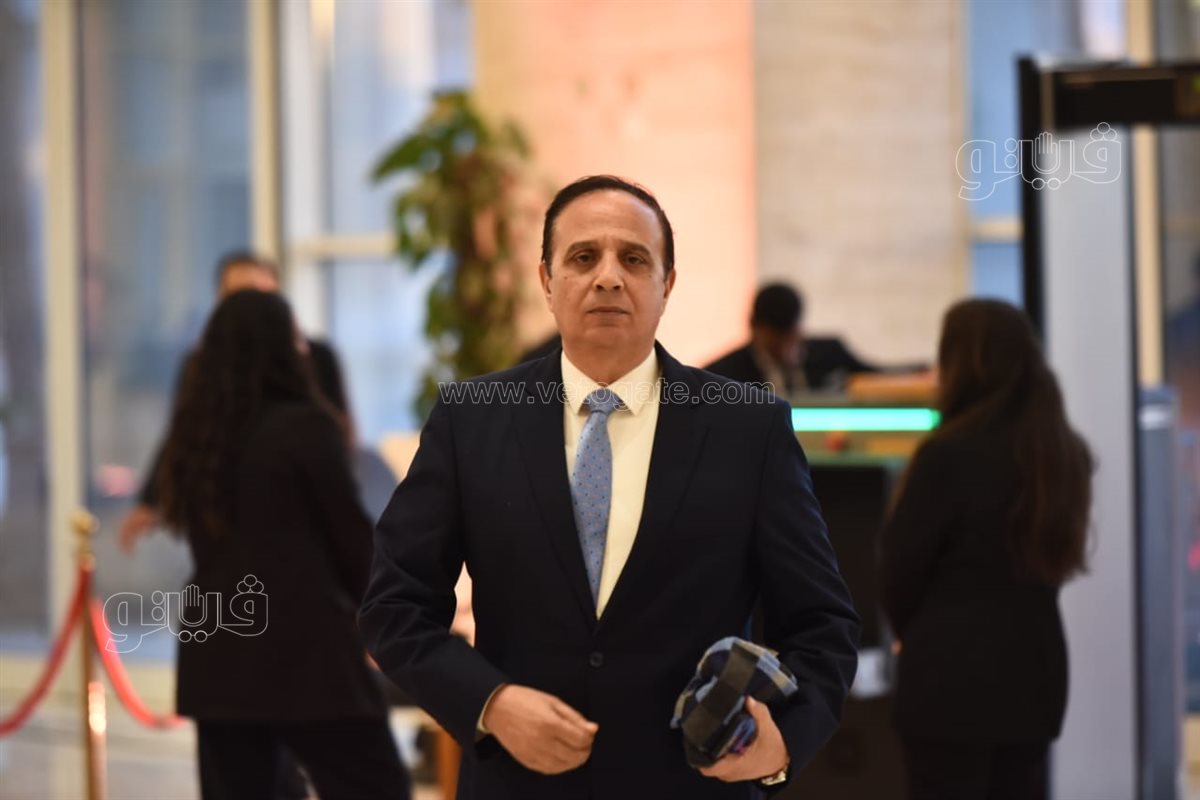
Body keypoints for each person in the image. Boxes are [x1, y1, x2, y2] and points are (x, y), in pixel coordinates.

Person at [359, 174, 860, 798]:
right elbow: (395, 606)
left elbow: (822, 623)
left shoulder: (748, 427)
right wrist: (491, 702)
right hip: (520, 785)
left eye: (634, 258)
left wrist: (782, 743)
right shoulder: (472, 419)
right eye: (582, 257)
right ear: (547, 281)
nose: (608, 277)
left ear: (666, 284)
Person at [133, 289, 409, 800]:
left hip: (218, 643)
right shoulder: (306, 427)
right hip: (305, 652)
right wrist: (385, 620)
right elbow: (352, 542)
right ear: (282, 347)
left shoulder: (197, 437)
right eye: (295, 337)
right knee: (377, 788)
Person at [880, 299, 1093, 800]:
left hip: (949, 681)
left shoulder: (946, 455)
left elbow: (900, 570)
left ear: (963, 364)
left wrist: (911, 634)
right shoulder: (1061, 455)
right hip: (1035, 676)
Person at [119, 250, 351, 549]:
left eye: (262, 295)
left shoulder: (315, 358)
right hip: (226, 512)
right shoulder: (201, 364)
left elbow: (339, 433)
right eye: (240, 296)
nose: (252, 307)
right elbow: (183, 430)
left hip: (300, 512)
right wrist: (150, 500)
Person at [704, 282, 915, 393]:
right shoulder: (723, 375)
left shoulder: (830, 354)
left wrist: (919, 370)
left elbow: (875, 375)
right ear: (755, 327)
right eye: (776, 340)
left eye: (790, 336)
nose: (784, 348)